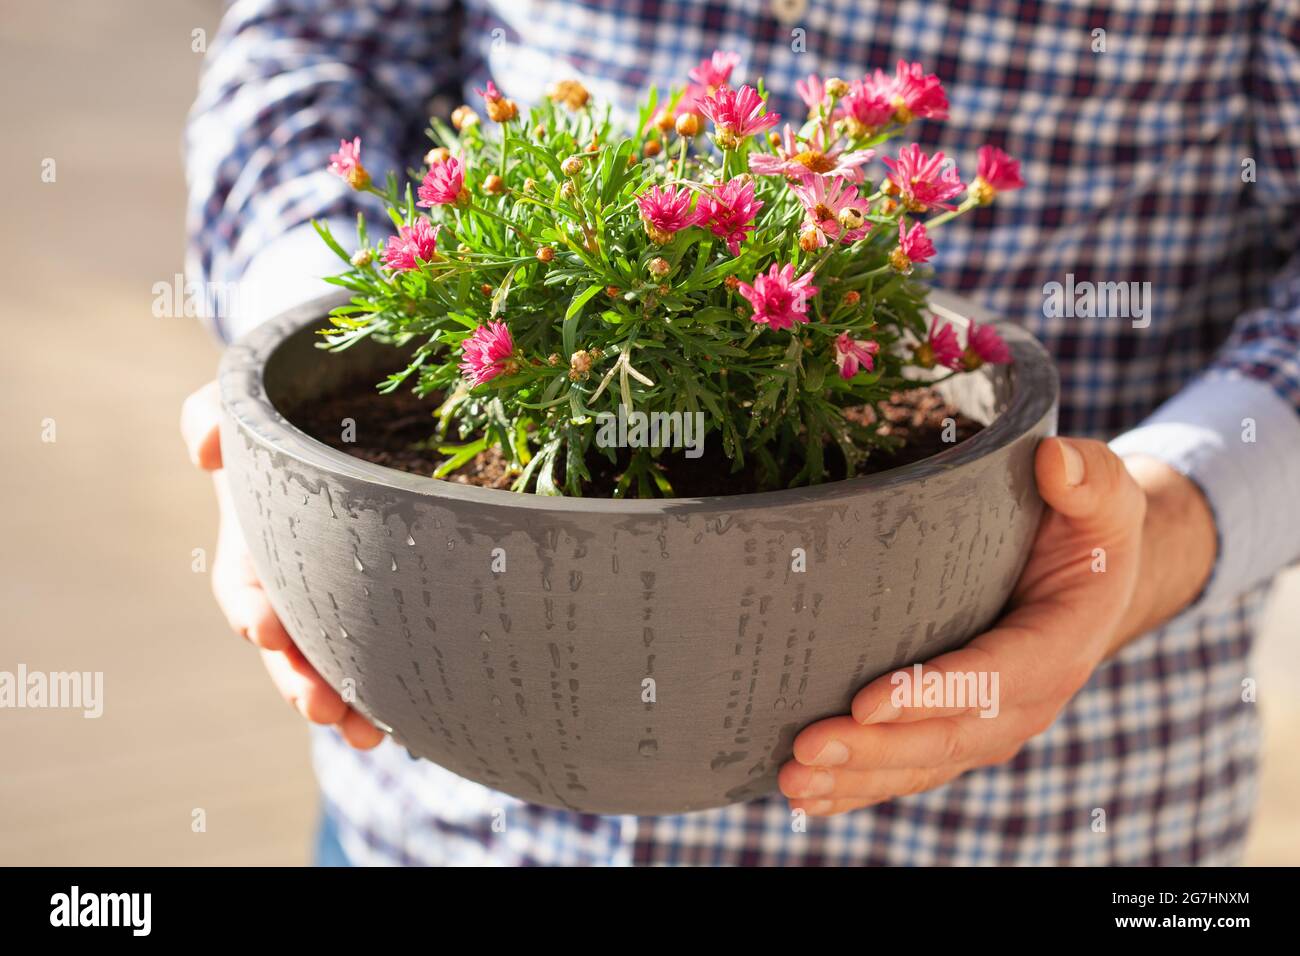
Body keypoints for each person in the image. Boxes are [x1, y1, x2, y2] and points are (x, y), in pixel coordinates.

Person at [179, 0, 1300, 865]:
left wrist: (1160, 524)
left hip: (1036, 814)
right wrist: (303, 374)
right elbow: (306, 51)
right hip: (448, 818)